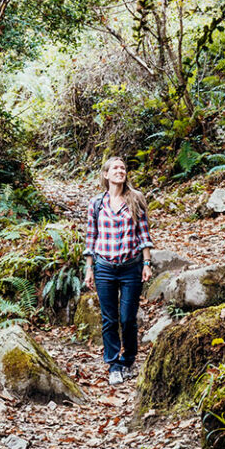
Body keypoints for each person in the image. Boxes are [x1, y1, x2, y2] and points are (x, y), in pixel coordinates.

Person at [84, 155, 154, 386]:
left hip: (131, 267)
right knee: (109, 319)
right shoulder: (96, 204)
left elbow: (144, 234)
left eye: (123, 168)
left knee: (128, 318)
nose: (119, 171)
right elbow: (91, 238)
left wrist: (146, 263)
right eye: (115, 168)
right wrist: (89, 269)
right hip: (104, 267)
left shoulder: (136, 199)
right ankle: (114, 364)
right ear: (106, 175)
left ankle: (129, 360)